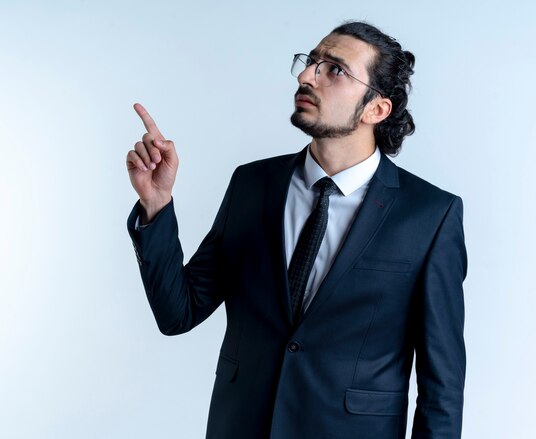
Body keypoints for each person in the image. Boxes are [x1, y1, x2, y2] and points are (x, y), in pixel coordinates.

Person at [126, 21, 467, 439]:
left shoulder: (429, 214)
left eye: (335, 70)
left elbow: (442, 385)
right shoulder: (252, 185)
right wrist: (156, 204)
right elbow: (178, 314)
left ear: (376, 109)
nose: (307, 76)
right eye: (311, 63)